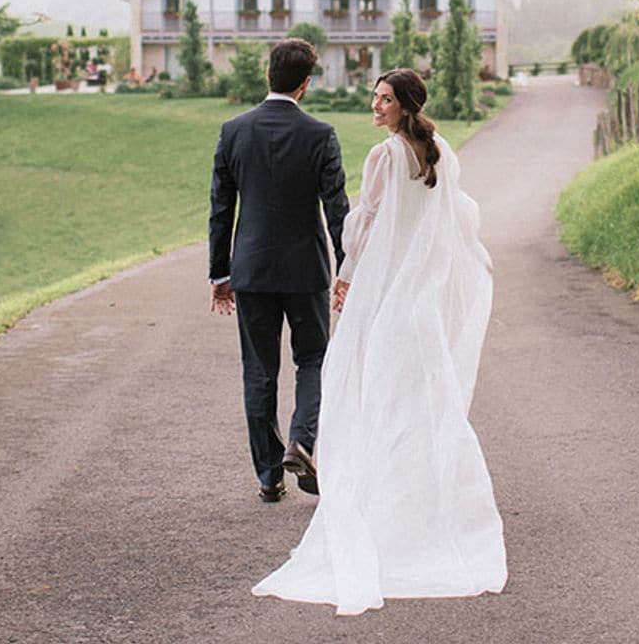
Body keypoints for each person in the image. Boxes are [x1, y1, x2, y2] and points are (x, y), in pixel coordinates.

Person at [252, 68, 507, 615]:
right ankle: (425, 501)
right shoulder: (438, 151)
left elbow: (363, 223)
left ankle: (383, 503)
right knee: (423, 402)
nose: (376, 105)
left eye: (384, 99)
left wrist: (345, 276)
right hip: (422, 302)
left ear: (403, 105)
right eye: (375, 97)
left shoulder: (383, 156)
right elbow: (459, 217)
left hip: (388, 297)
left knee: (373, 397)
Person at [208, 38, 349, 503]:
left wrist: (219, 273)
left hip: (250, 271)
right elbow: (336, 209)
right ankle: (302, 440)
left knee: (259, 370)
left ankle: (269, 476)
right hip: (305, 270)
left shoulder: (233, 131)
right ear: (305, 84)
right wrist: (348, 269)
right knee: (313, 359)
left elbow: (220, 208)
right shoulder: (320, 135)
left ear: (268, 74)